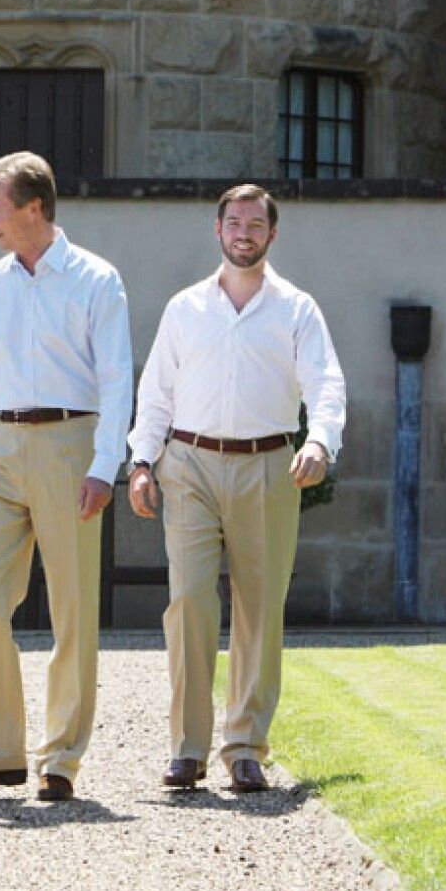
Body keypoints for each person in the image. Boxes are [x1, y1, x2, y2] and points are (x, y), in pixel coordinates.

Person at [127, 183, 345, 794]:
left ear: (271, 235)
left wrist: (320, 442)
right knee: (191, 600)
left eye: (255, 224)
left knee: (258, 608)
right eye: (233, 223)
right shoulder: (185, 308)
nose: (243, 233)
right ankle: (187, 750)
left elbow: (326, 383)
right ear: (217, 230)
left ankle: (245, 746)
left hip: (269, 465)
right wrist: (142, 460)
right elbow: (157, 391)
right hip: (189, 463)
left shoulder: (297, 308)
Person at [0, 151, 132, 803]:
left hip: (69, 444)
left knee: (72, 608)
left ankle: (61, 758)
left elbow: (115, 379)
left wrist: (106, 466)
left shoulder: (96, 280)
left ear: (33, 208)